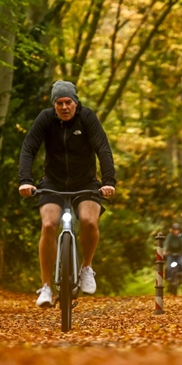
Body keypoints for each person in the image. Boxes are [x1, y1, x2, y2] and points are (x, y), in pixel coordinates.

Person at [18, 80, 116, 307]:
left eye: (68, 102)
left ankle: (86, 268)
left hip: (86, 182)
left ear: (75, 102)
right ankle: (45, 287)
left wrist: (109, 181)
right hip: (53, 182)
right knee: (49, 225)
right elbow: (29, 148)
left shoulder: (87, 118)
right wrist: (25, 181)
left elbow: (103, 148)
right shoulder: (45, 119)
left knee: (90, 222)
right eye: (59, 103)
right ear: (54, 105)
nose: (64, 107)